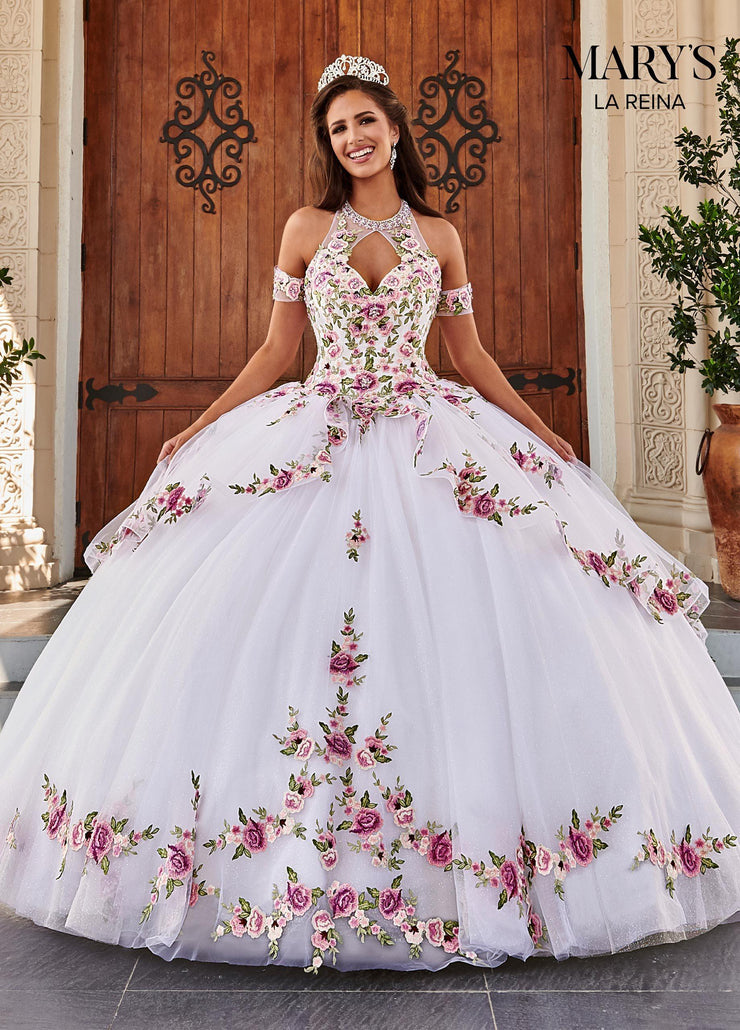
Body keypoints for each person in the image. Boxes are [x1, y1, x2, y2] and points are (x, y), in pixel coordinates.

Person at [0, 54, 738, 976]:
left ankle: (495, 872)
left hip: (432, 434)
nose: (354, 138)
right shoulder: (307, 228)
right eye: (338, 128)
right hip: (319, 430)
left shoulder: (443, 234)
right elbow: (277, 350)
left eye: (366, 122)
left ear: (395, 129)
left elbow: (467, 355)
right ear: (331, 142)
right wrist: (195, 428)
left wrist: (545, 435)